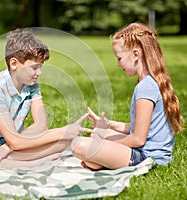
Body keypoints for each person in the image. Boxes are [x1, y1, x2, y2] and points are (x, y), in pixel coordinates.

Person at [0, 29, 89, 171]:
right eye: (34, 67)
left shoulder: (31, 84)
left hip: (16, 140)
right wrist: (62, 131)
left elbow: (41, 125)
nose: (39, 73)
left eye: (41, 67)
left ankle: (2, 159)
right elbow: (14, 140)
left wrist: (5, 149)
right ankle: (25, 164)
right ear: (14, 64)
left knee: (68, 140)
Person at [71, 22, 184, 170]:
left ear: (136, 54)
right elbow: (142, 128)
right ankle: (99, 161)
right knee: (97, 134)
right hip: (149, 154)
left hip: (147, 158)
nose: (118, 64)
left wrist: (107, 145)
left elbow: (138, 139)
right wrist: (108, 125)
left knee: (78, 145)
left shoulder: (145, 88)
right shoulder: (151, 82)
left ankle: (100, 161)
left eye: (119, 58)